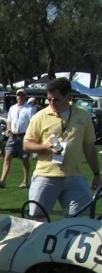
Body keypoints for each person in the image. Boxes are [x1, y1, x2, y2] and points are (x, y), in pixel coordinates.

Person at [21, 77, 101, 218]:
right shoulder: (40, 116)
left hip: (75, 176)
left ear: (68, 96)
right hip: (46, 176)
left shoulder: (83, 115)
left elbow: (89, 147)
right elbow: (27, 144)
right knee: (36, 220)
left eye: (56, 99)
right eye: (49, 99)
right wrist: (45, 146)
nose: (52, 103)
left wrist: (96, 174)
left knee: (82, 222)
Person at [0, 88, 36, 189]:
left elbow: (33, 123)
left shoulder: (30, 109)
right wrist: (8, 129)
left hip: (24, 136)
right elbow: (9, 121)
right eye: (18, 95)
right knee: (7, 157)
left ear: (25, 97)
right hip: (12, 136)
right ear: (16, 97)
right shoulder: (12, 108)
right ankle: (2, 180)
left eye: (22, 95)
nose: (20, 97)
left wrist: (30, 136)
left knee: (24, 158)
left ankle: (25, 181)